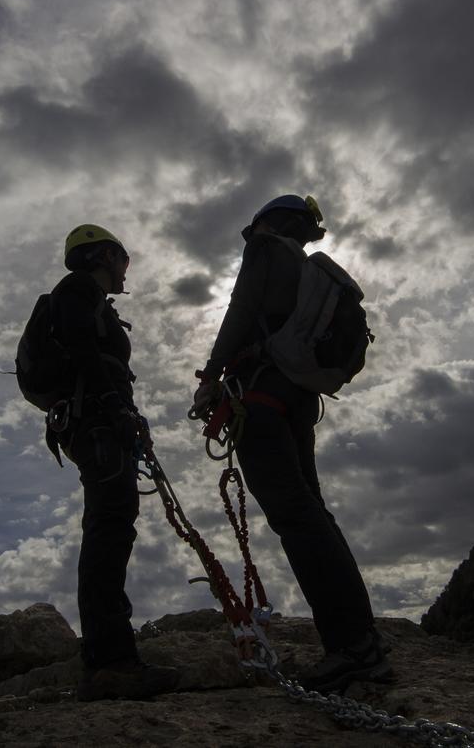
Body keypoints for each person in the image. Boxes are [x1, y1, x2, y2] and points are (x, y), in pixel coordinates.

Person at [192, 196, 393, 694]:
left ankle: (352, 650)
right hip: (299, 398)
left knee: (295, 517)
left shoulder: (264, 250)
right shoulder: (308, 270)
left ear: (266, 222)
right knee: (312, 513)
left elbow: (240, 311)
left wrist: (211, 376)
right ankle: (361, 640)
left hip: (258, 395)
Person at [49, 224, 179, 701]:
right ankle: (111, 663)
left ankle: (109, 659)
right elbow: (84, 351)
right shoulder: (78, 291)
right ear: (103, 255)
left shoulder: (88, 299)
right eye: (123, 259)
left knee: (111, 529)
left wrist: (124, 410)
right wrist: (114, 405)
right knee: (109, 530)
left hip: (99, 423)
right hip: (98, 424)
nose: (127, 270)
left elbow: (92, 357)